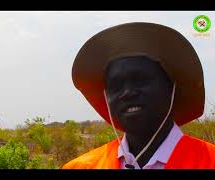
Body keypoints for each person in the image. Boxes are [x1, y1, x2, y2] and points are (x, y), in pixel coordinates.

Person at [62, 22, 215, 169]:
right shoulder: (82, 166)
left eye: (141, 80)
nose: (127, 93)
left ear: (171, 88)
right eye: (116, 85)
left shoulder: (209, 160)